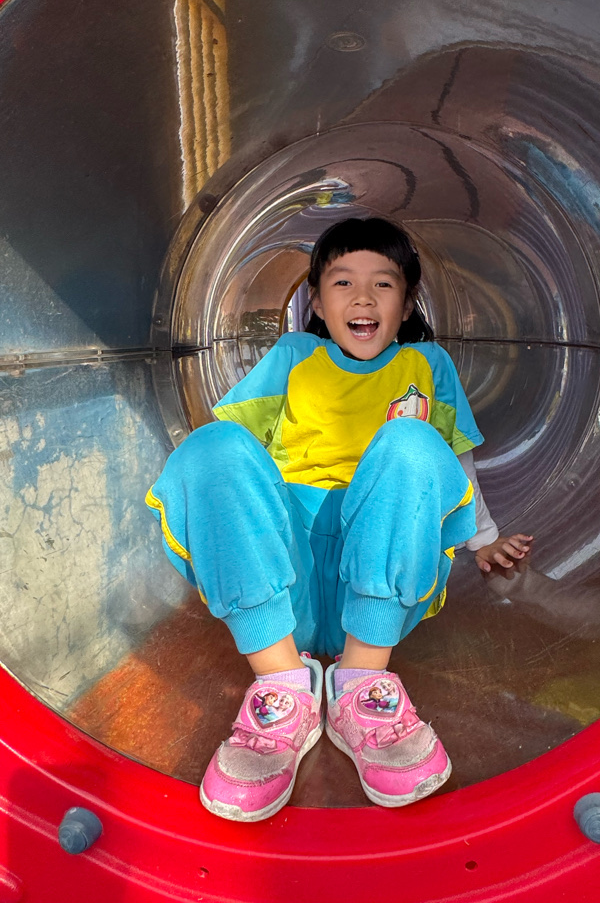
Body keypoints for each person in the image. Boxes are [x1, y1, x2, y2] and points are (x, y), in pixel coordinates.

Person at [146, 217, 533, 822]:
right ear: (317, 301)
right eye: (343, 282)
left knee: (411, 442)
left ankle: (361, 686)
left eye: (384, 284)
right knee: (211, 447)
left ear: (408, 302)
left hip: (380, 580)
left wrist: (482, 539)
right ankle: (280, 687)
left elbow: (453, 464)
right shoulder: (294, 356)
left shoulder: (427, 365)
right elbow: (232, 456)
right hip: (286, 581)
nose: (363, 298)